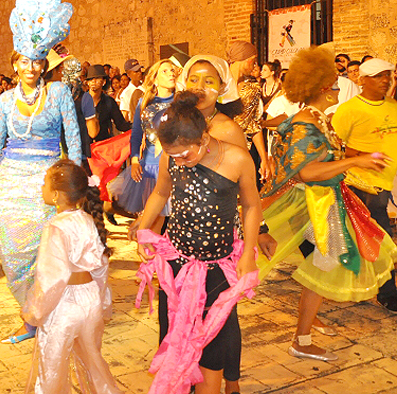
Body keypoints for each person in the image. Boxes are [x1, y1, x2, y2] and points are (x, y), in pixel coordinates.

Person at [258, 46, 397, 361]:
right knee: (324, 261)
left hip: (326, 201)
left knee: (324, 260)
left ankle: (307, 325)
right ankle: (301, 339)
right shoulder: (307, 123)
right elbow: (308, 171)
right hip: (314, 203)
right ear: (323, 89)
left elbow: (331, 152)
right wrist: (357, 161)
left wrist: (361, 157)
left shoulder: (320, 118)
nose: (341, 88)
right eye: (336, 84)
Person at [0, 0, 81, 344]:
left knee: (48, 252)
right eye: (24, 61)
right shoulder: (2, 101)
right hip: (12, 184)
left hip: (48, 184)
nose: (30, 68)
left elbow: (74, 141)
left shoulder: (59, 93)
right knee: (14, 255)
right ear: (14, 63)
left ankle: (50, 314)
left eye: (37, 61)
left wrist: (75, 190)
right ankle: (29, 317)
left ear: (44, 64)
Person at [129, 91, 261, 394]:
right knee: (174, 333)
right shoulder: (171, 156)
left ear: (204, 138)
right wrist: (143, 226)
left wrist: (248, 254)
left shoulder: (237, 159)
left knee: (212, 343)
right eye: (173, 156)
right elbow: (161, 193)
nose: (180, 162)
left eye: (185, 155)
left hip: (217, 267)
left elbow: (252, 206)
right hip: (177, 263)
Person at [22, 159, 122, 394]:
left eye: (44, 184)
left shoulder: (55, 227)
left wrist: (35, 311)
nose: (41, 188)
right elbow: (100, 267)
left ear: (56, 194)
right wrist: (102, 302)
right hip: (89, 300)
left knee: (52, 368)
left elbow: (52, 277)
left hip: (64, 305)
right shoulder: (87, 220)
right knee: (93, 362)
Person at [331, 57, 397, 312]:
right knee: (380, 237)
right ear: (363, 80)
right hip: (362, 185)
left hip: (387, 182)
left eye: (388, 76)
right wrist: (359, 157)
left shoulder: (392, 106)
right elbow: (332, 147)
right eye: (379, 76)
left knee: (374, 239)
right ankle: (388, 292)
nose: (385, 81)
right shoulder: (349, 110)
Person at [109, 60, 177, 221]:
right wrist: (134, 161)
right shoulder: (145, 101)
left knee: (174, 220)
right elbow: (137, 134)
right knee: (150, 220)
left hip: (175, 167)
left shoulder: (181, 102)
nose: (171, 73)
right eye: (165, 71)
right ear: (154, 79)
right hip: (150, 167)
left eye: (172, 70)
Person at [228, 41, 272, 184]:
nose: (254, 66)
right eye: (253, 61)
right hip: (215, 151)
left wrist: (263, 159)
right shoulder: (218, 86)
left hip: (242, 152)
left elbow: (253, 124)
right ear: (245, 60)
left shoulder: (251, 89)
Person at [84, 65, 131, 142]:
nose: (93, 81)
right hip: (83, 148)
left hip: (103, 147)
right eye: (91, 79)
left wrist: (137, 125)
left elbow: (121, 125)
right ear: (88, 82)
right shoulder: (80, 101)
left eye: (97, 78)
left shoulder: (109, 102)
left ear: (104, 82)